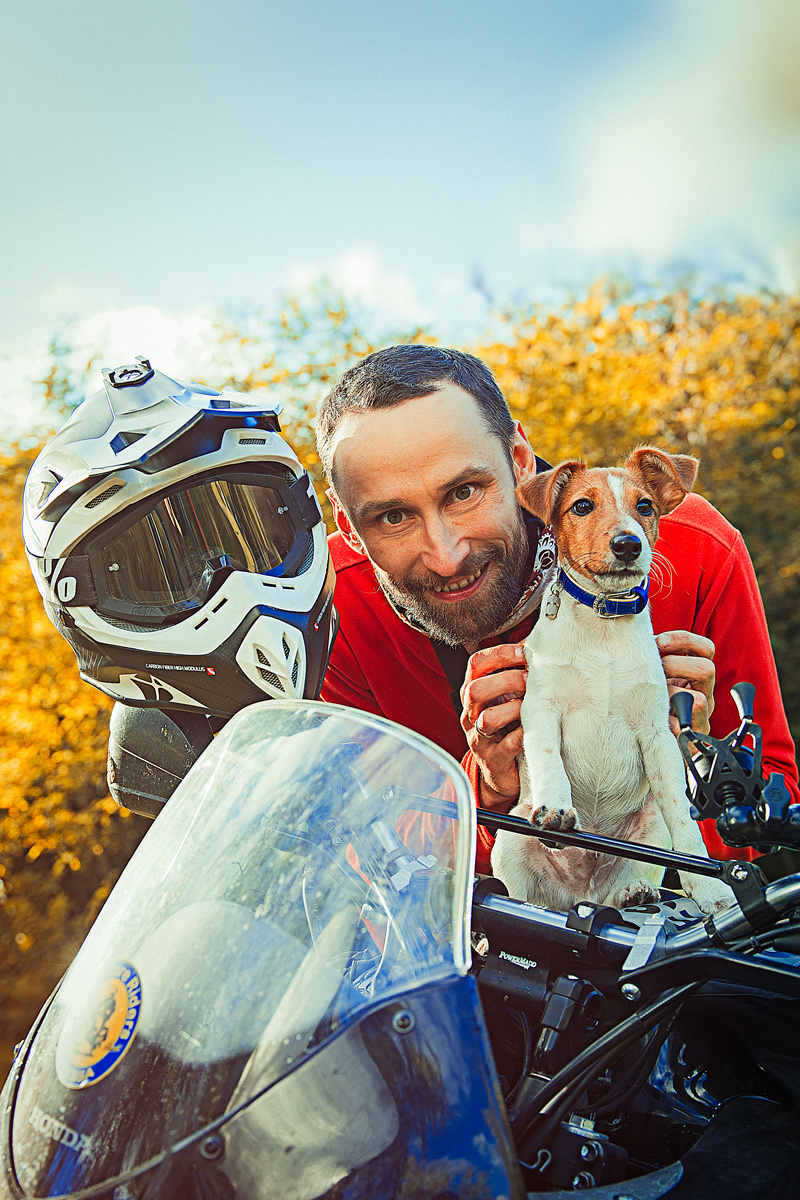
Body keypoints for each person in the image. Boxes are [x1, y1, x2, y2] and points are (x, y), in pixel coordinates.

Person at [315, 344, 799, 871]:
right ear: (346, 525)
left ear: (520, 461)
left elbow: (773, 817)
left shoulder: (693, 548)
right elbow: (359, 853)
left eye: (465, 492)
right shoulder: (329, 605)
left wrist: (692, 762)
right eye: (392, 517)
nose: (447, 556)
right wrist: (492, 790)